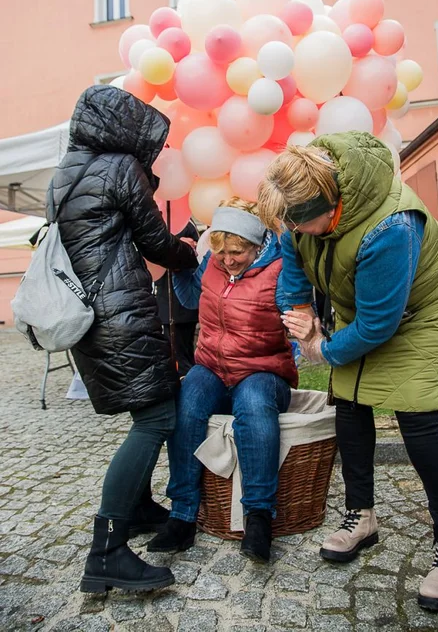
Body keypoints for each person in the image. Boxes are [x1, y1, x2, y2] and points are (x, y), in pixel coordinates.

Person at [256, 131, 438, 612]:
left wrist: (323, 349)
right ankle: (361, 515)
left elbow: (378, 324)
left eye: (303, 224)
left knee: (415, 411)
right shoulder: (300, 211)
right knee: (350, 401)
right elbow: (293, 271)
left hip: (425, 304)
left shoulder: (391, 228)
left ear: (330, 203)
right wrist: (301, 317)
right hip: (367, 298)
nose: (298, 232)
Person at [46, 85, 197, 594]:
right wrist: (190, 252)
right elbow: (154, 240)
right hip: (122, 316)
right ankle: (108, 549)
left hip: (89, 319)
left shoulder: (63, 172)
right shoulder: (118, 168)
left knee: (148, 409)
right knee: (156, 416)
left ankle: (136, 508)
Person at [146, 197, 298, 563]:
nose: (228, 259)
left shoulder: (279, 271)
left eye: (237, 251)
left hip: (264, 371)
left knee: (254, 404)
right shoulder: (213, 265)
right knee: (188, 403)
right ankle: (182, 514)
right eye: (221, 251)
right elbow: (193, 299)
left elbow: (298, 316)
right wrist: (180, 270)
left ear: (256, 243)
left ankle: (258, 517)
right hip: (212, 366)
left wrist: (304, 326)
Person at [155, 220, 199, 377]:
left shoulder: (181, 223)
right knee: (182, 355)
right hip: (171, 302)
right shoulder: (180, 222)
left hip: (178, 303)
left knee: (181, 358)